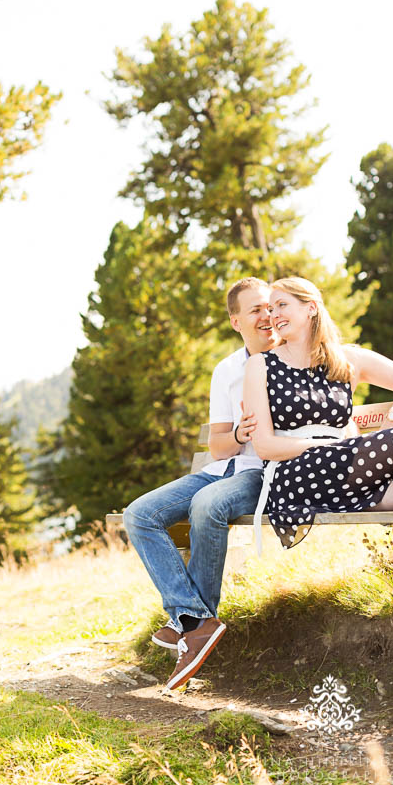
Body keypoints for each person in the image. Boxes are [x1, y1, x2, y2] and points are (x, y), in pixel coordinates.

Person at [123, 277, 277, 691]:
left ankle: (191, 628)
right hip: (220, 470)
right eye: (256, 310)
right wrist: (241, 436)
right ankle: (193, 619)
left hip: (263, 473)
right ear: (236, 321)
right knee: (139, 514)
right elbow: (218, 445)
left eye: (269, 306)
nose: (267, 315)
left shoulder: (288, 357)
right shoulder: (227, 369)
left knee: (207, 505)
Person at [244, 277, 393, 552]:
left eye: (281, 304)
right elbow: (265, 446)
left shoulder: (347, 358)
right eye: (270, 308)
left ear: (311, 308)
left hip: (348, 472)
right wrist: (328, 446)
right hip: (295, 475)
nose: (273, 314)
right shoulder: (261, 365)